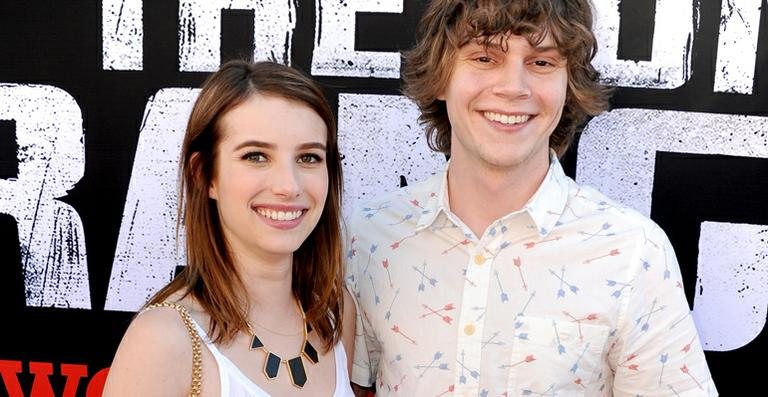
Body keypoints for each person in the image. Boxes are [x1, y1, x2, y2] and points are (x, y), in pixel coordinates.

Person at [345, 0, 716, 396]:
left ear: (567, 85)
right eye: (485, 57)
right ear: (440, 77)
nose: (513, 88)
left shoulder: (633, 252)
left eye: (541, 63)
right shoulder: (369, 237)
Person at [104, 60, 356, 396]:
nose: (288, 185)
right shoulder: (164, 339)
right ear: (204, 175)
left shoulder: (337, 314)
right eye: (256, 156)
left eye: (308, 157)